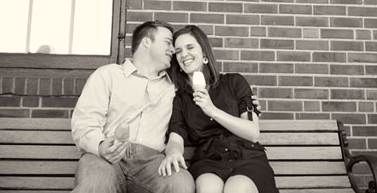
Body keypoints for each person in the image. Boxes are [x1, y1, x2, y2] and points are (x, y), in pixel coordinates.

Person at [71, 20, 194, 193]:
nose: (173, 50)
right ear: (146, 41)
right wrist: (100, 146)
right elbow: (84, 123)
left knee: (181, 184)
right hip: (106, 158)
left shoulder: (173, 87)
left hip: (153, 163)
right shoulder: (108, 75)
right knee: (95, 185)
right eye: (167, 42)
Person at [158, 25, 278, 193]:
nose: (184, 54)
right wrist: (172, 152)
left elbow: (252, 132)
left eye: (190, 47)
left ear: (205, 54)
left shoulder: (234, 82)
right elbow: (176, 138)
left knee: (236, 189)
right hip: (208, 160)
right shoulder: (181, 100)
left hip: (246, 157)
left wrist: (212, 110)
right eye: (178, 51)